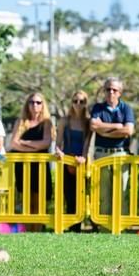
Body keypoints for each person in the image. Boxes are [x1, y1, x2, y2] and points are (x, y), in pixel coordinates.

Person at [90, 77, 135, 216]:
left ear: (120, 92)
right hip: (101, 154)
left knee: (121, 193)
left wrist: (103, 131)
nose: (111, 92)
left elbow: (128, 130)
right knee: (103, 195)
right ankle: (104, 231)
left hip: (120, 154)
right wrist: (116, 126)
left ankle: (121, 229)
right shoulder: (98, 108)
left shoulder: (126, 108)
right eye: (108, 89)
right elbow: (93, 125)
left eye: (114, 90)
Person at [10, 92, 54, 232]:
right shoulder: (21, 121)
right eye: (32, 102)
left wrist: (25, 143)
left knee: (40, 201)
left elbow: (46, 143)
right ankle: (28, 232)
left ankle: (38, 231)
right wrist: (35, 145)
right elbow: (14, 144)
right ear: (27, 104)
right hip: (23, 167)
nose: (35, 105)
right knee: (27, 202)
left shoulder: (47, 122)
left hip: (40, 167)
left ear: (43, 105)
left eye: (38, 102)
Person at [54, 90, 90, 232]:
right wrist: (59, 151)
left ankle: (77, 229)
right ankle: (68, 228)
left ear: (86, 103)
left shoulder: (88, 123)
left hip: (81, 163)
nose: (78, 104)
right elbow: (58, 142)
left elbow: (87, 143)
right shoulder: (65, 121)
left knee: (80, 198)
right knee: (68, 197)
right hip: (66, 161)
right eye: (75, 101)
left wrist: (84, 157)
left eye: (82, 101)